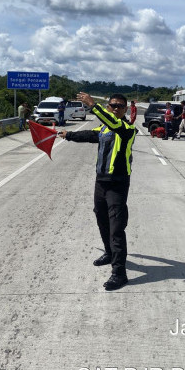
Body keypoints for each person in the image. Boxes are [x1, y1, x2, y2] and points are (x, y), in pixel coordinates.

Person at [58, 92, 136, 291]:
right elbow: (90, 135)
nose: (116, 108)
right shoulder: (104, 129)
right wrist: (68, 135)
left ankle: (119, 274)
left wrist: (93, 106)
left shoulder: (127, 128)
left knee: (116, 228)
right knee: (101, 218)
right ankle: (109, 253)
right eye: (112, 105)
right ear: (109, 107)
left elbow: (114, 124)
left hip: (118, 184)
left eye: (120, 106)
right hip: (100, 182)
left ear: (125, 109)